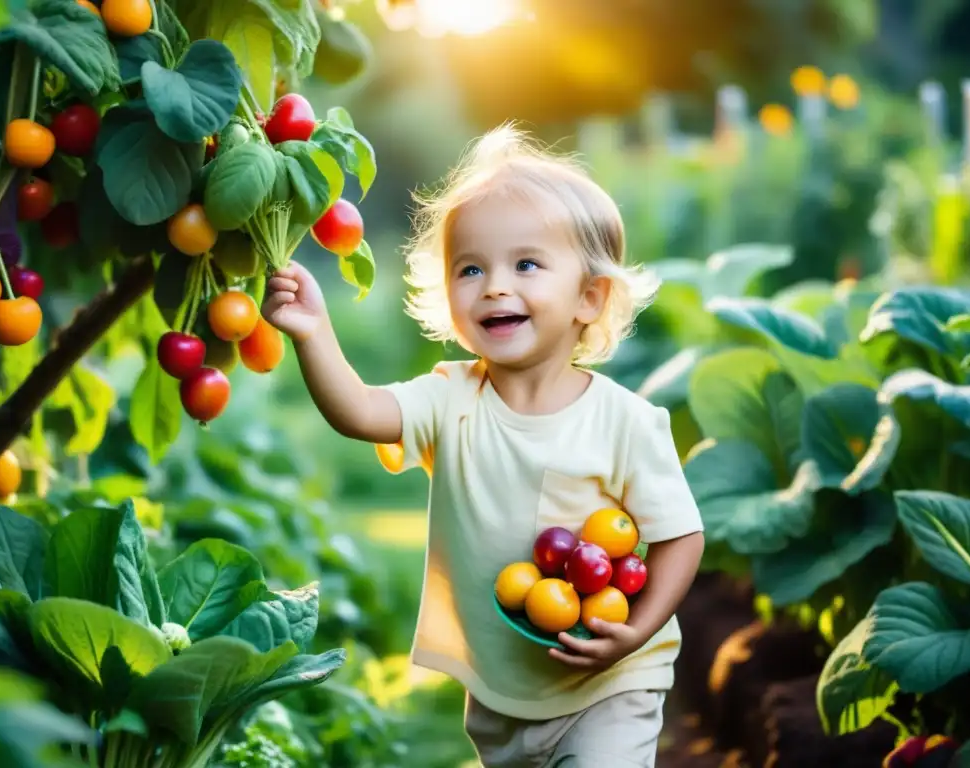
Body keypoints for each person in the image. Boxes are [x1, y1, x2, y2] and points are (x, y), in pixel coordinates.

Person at [262, 123, 706, 768]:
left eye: (526, 264)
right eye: (471, 268)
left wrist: (632, 634)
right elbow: (359, 412)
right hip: (500, 693)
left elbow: (680, 537)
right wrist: (313, 333)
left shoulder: (626, 423)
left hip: (611, 683)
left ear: (590, 295)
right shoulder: (450, 399)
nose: (495, 285)